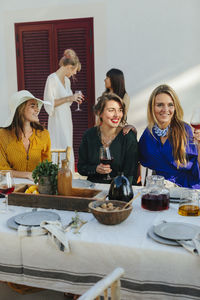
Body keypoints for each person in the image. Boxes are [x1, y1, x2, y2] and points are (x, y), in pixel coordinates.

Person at [139, 84, 200, 188]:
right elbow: (138, 159)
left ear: (175, 107)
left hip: (186, 189)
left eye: (170, 105)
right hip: (158, 190)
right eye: (160, 105)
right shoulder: (148, 133)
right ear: (152, 107)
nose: (165, 109)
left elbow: (197, 169)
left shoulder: (185, 130)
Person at [78, 93, 139, 184]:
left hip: (119, 190)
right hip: (94, 189)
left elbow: (131, 173)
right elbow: (81, 168)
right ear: (99, 113)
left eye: (120, 110)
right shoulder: (89, 135)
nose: (117, 115)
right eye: (111, 110)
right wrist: (95, 169)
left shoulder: (128, 137)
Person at [43, 49, 83, 172]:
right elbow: (49, 103)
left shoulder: (66, 81)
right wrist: (69, 98)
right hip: (57, 119)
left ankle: (68, 177)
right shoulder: (52, 79)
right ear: (69, 67)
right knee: (58, 146)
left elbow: (68, 101)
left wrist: (74, 99)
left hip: (66, 118)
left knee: (67, 146)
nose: (73, 74)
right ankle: (57, 177)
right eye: (74, 71)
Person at [0, 90, 51, 180]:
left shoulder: (44, 135)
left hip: (36, 187)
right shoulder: (3, 135)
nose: (37, 109)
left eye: (37, 106)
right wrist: (27, 175)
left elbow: (47, 166)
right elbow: (2, 170)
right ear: (21, 109)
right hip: (11, 186)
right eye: (32, 106)